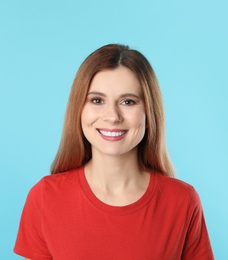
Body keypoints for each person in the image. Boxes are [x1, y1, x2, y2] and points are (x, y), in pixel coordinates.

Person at [14, 44, 214, 259]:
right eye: (97, 100)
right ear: (79, 109)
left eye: (128, 102)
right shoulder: (45, 198)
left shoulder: (182, 201)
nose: (113, 116)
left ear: (149, 111)